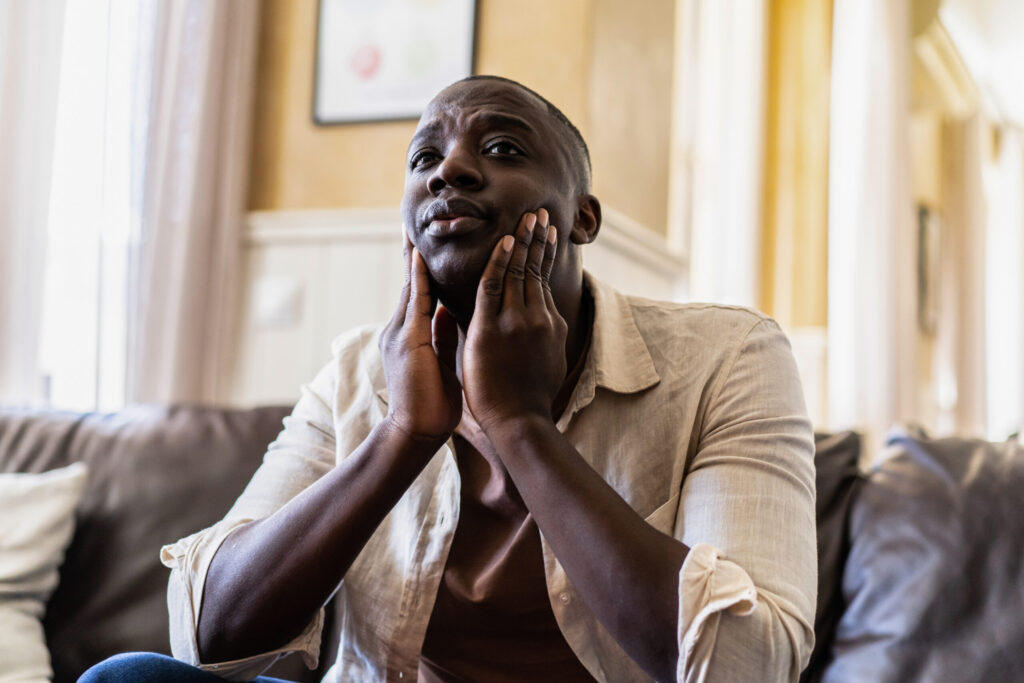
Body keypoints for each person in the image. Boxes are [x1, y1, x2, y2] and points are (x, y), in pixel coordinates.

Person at [81, 75, 816, 683]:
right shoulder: (357, 370)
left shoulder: (728, 356)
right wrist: (402, 435)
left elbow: (752, 665)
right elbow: (208, 634)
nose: (448, 170)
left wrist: (521, 425)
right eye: (423, 156)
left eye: (499, 148)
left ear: (582, 218)